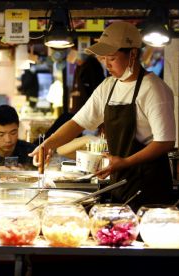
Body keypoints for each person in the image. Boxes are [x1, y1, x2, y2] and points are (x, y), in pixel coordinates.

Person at [31, 21, 175, 210]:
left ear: (132, 54)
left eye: (112, 58)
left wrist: (125, 162)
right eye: (103, 58)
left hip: (150, 185)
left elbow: (165, 142)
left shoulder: (153, 88)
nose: (107, 64)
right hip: (119, 181)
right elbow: (78, 122)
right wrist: (48, 144)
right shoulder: (109, 86)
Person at [0, 104, 36, 170]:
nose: (8, 140)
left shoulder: (31, 152)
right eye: (1, 134)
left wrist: (24, 173)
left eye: (13, 133)